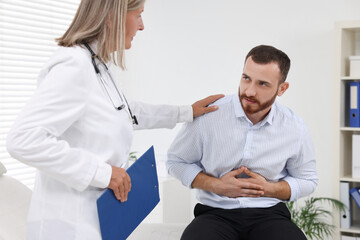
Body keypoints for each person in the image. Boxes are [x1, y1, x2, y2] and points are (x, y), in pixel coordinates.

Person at [5, 0, 223, 239]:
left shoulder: (97, 64)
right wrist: (103, 172)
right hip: (69, 224)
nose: (142, 26)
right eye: (138, 15)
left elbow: (124, 112)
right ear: (113, 16)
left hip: (97, 218)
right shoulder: (74, 65)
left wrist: (186, 112)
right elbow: (23, 139)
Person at [167, 45, 319, 240]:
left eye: (262, 84)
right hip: (215, 213)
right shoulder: (209, 115)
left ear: (282, 88)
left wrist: (268, 188)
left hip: (270, 214)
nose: (249, 91)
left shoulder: (295, 128)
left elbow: (308, 180)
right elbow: (175, 162)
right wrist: (217, 185)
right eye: (246, 78)